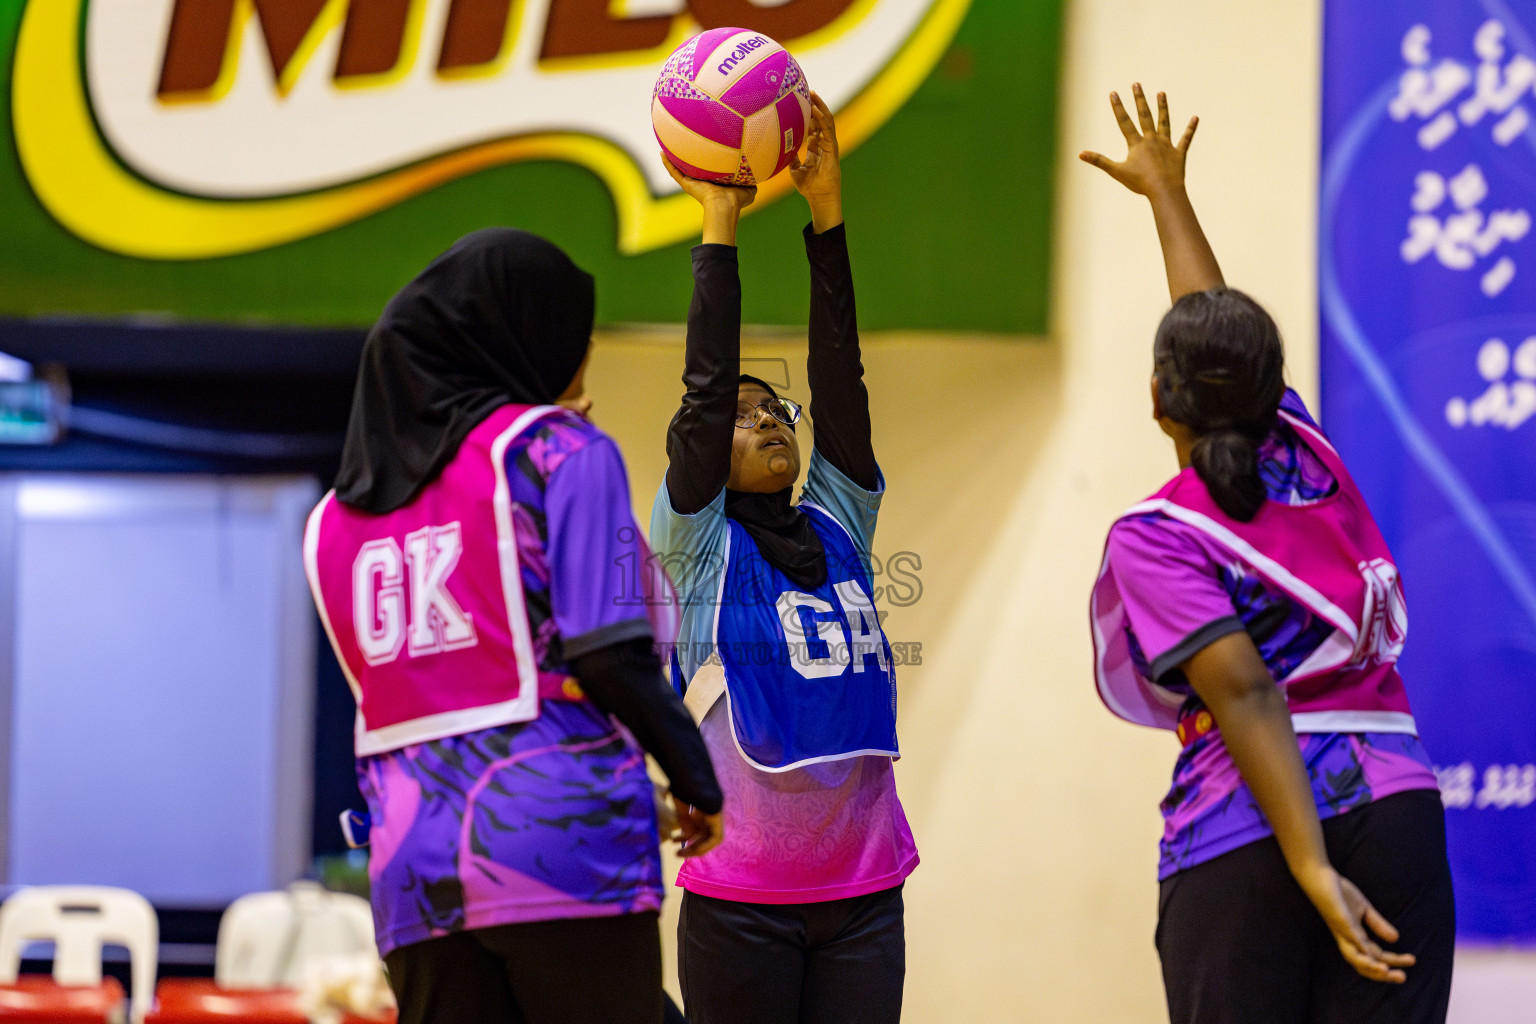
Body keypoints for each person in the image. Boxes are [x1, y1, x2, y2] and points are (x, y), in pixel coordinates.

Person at [1083, 86, 1455, 1024]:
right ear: (1266, 387)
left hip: (1252, 831)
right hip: (1398, 807)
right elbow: (1218, 333)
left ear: (1157, 401)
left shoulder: (1160, 533)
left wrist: (1311, 869)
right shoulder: (1307, 450)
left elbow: (1248, 695)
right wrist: (1169, 194)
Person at [302, 229, 723, 1024]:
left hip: (410, 864)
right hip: (559, 838)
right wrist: (697, 780)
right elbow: (609, 653)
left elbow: (438, 711)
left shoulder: (331, 520)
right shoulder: (559, 452)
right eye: (576, 347)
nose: (580, 372)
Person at [649, 94, 918, 1024]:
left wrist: (826, 210)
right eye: (743, 411)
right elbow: (704, 387)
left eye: (776, 411)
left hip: (863, 897)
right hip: (739, 905)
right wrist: (719, 219)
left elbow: (842, 375)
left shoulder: (842, 518)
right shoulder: (699, 542)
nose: (766, 419)